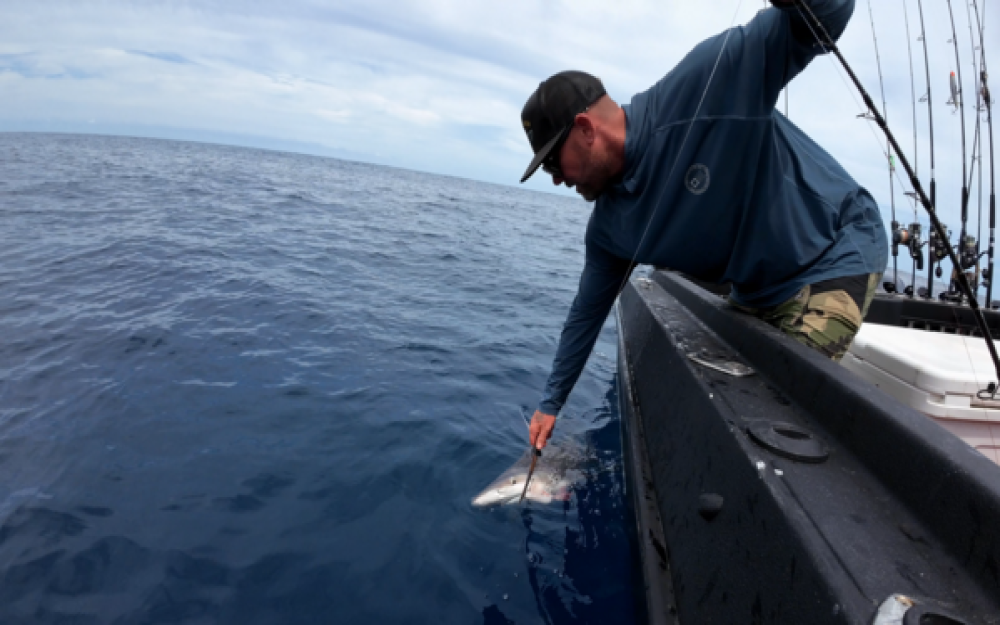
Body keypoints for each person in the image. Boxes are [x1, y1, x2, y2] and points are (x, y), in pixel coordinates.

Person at [519, 0, 888, 450]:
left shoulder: (708, 80)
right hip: (757, 290)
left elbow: (824, 21)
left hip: (834, 250)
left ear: (585, 129)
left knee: (769, 420)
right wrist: (550, 403)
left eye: (554, 163)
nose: (557, 179)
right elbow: (586, 314)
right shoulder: (608, 232)